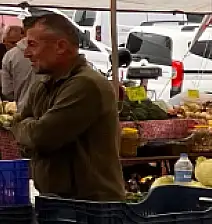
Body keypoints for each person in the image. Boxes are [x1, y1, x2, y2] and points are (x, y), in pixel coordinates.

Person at [10, 13, 124, 200]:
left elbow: (41, 137)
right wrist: (27, 131)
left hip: (90, 206)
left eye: (32, 45)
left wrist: (26, 130)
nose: (26, 53)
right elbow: (22, 130)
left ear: (61, 46)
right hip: (57, 201)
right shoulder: (43, 84)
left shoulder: (86, 85)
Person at [1, 24, 31, 102]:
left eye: (14, 42)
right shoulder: (42, 53)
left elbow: (7, 92)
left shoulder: (9, 56)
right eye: (6, 42)